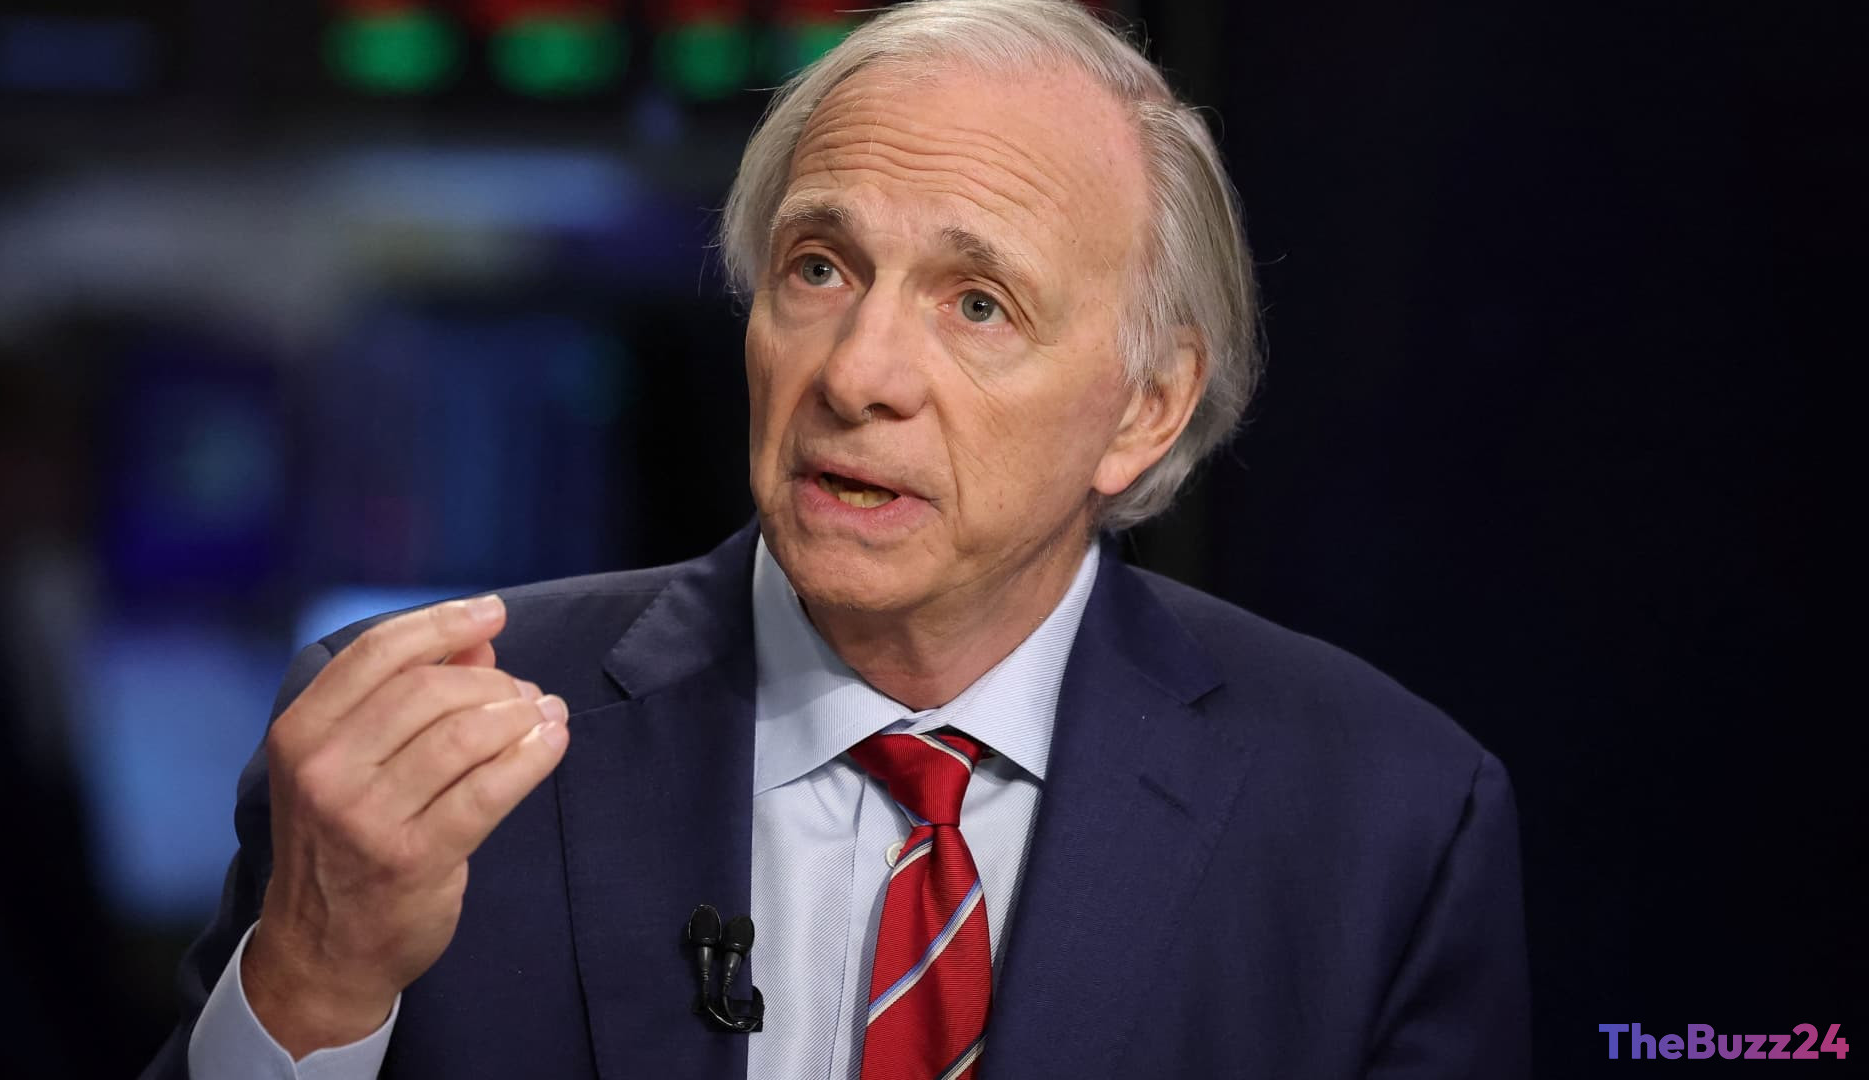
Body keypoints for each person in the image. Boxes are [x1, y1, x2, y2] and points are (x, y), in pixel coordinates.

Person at [144, 1, 1529, 1077]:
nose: (859, 372)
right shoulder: (412, 741)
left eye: (977, 303)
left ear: (1145, 408)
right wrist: (313, 984)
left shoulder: (1386, 822)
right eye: (819, 268)